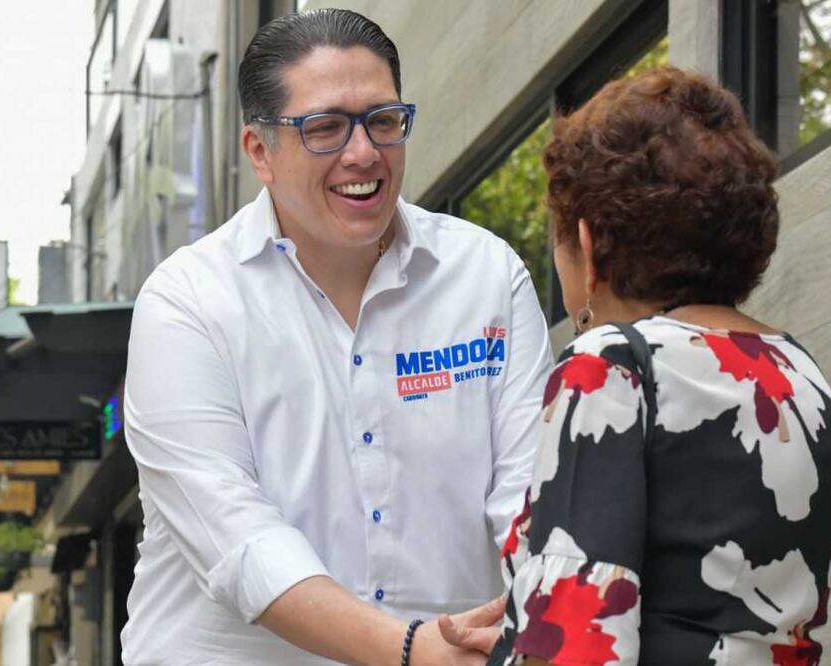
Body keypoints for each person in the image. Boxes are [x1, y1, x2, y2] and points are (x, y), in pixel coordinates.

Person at [119, 9, 552, 665]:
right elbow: (236, 537)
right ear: (260, 151)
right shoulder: (187, 302)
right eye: (324, 128)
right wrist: (406, 649)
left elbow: (530, 494)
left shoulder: (486, 275)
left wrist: (548, 620)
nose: (363, 153)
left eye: (382, 121)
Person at [446, 68, 831, 665]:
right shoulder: (802, 375)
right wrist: (522, 629)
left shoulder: (611, 365)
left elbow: (577, 651)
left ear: (588, 246)